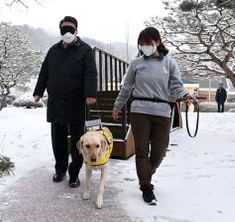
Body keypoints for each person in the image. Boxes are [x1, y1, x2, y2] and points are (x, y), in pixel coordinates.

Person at [112, 27, 193, 204]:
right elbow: (126, 88)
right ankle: (146, 187)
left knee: (160, 151)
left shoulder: (170, 64)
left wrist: (185, 95)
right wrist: (117, 106)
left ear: (157, 42)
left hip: (162, 111)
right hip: (139, 110)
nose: (144, 47)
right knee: (141, 151)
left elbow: (176, 87)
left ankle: (146, 173)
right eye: (141, 44)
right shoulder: (136, 64)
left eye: (147, 43)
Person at [33, 16, 97, 188]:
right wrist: (38, 91)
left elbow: (90, 73)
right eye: (63, 30)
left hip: (76, 102)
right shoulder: (53, 50)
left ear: (76, 30)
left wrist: (90, 93)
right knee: (57, 139)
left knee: (78, 141)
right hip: (56, 102)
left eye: (70, 29)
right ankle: (60, 169)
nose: (67, 33)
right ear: (60, 31)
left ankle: (74, 173)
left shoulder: (85, 50)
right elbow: (44, 72)